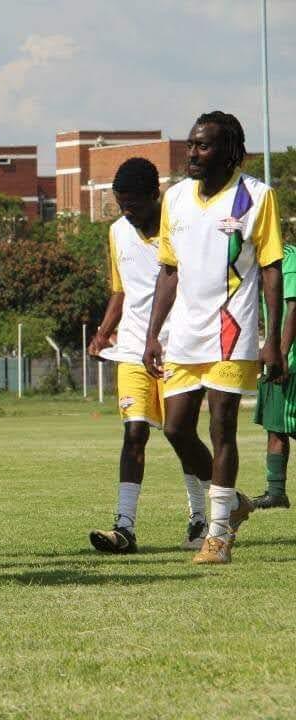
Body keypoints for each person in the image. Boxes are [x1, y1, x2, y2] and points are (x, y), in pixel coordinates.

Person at [143, 111, 283, 564]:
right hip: (183, 332)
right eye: (191, 145)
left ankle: (218, 533)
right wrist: (152, 335)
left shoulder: (256, 197)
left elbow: (271, 271)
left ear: (229, 151)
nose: (193, 154)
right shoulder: (176, 197)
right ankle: (236, 501)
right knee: (176, 427)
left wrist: (273, 339)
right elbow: (168, 271)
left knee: (222, 426)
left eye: (203, 146)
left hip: (232, 330)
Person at [86, 158, 211, 553]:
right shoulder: (117, 233)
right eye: (121, 204)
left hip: (179, 348)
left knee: (180, 434)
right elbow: (121, 291)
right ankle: (124, 527)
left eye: (134, 204)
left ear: (154, 196)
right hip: (131, 349)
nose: (128, 212)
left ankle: (202, 519)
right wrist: (105, 332)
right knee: (134, 432)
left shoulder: (182, 230)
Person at [252, 243, 296, 510]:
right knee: (276, 426)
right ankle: (276, 491)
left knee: (287, 424)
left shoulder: (288, 258)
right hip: (275, 358)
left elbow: (294, 308)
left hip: (288, 359)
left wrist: (281, 353)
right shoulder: (266, 263)